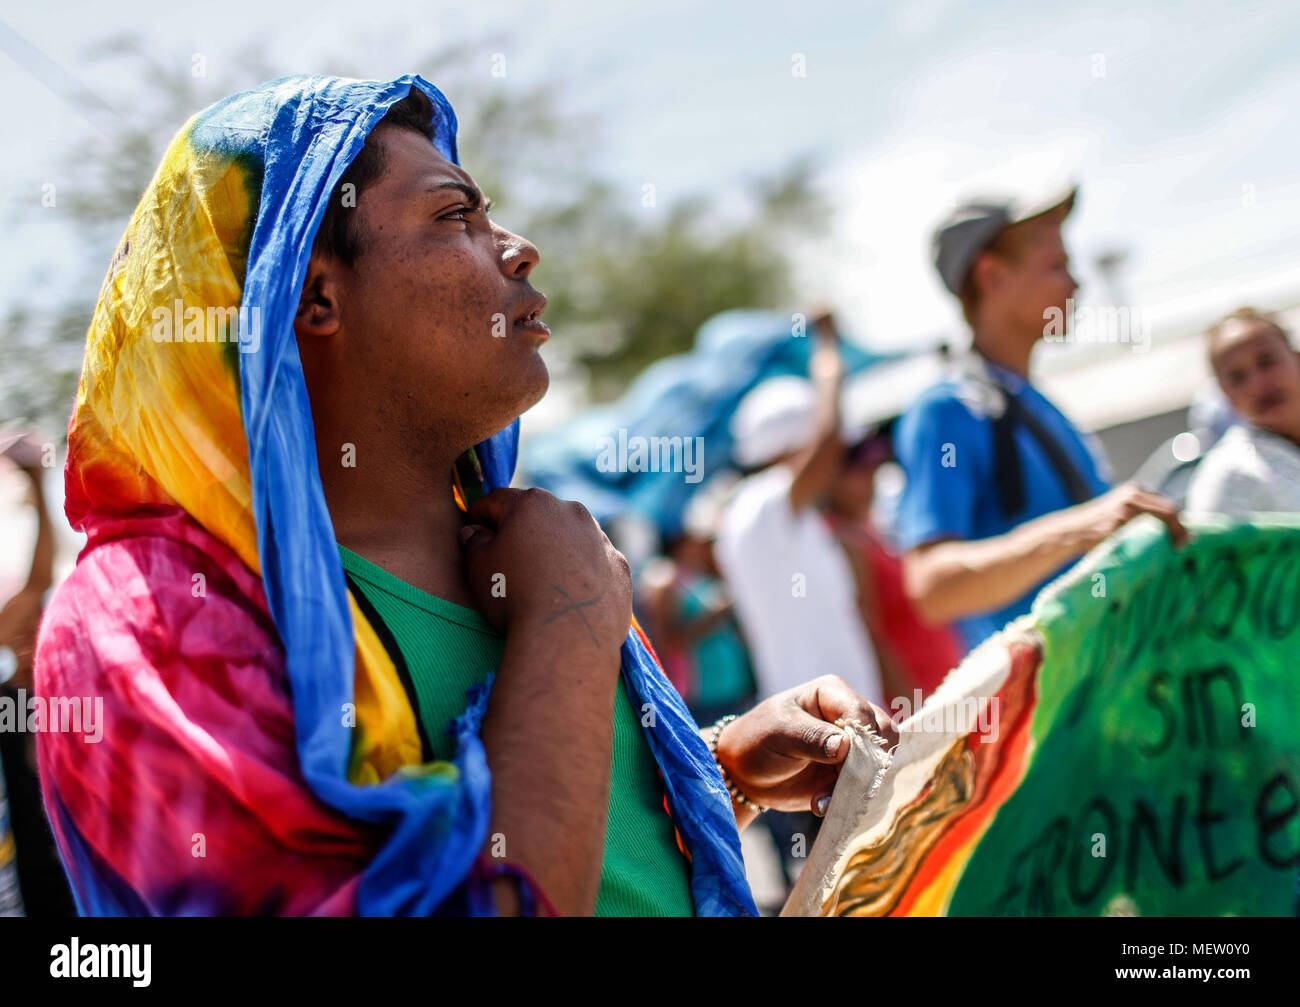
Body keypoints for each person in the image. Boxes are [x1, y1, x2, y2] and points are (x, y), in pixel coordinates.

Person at [33, 76, 894, 918]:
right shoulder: (148, 621)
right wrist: (567, 624)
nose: (518, 247)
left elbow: (559, 829)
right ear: (314, 293)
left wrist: (709, 774)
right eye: (455, 216)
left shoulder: (521, 549)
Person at [895, 185, 1186, 655]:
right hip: (1042, 718)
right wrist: (1080, 528)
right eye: (1057, 267)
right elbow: (933, 586)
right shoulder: (947, 411)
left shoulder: (1034, 405)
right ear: (991, 276)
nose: (1076, 284)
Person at [714, 314, 886, 706]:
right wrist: (827, 346)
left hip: (829, 721)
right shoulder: (762, 502)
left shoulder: (783, 513)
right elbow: (828, 438)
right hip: (817, 724)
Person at [1186, 308, 1300, 515]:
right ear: (1225, 393)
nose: (1258, 383)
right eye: (1237, 377)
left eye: (1267, 362)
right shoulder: (1229, 477)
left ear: (1297, 359)